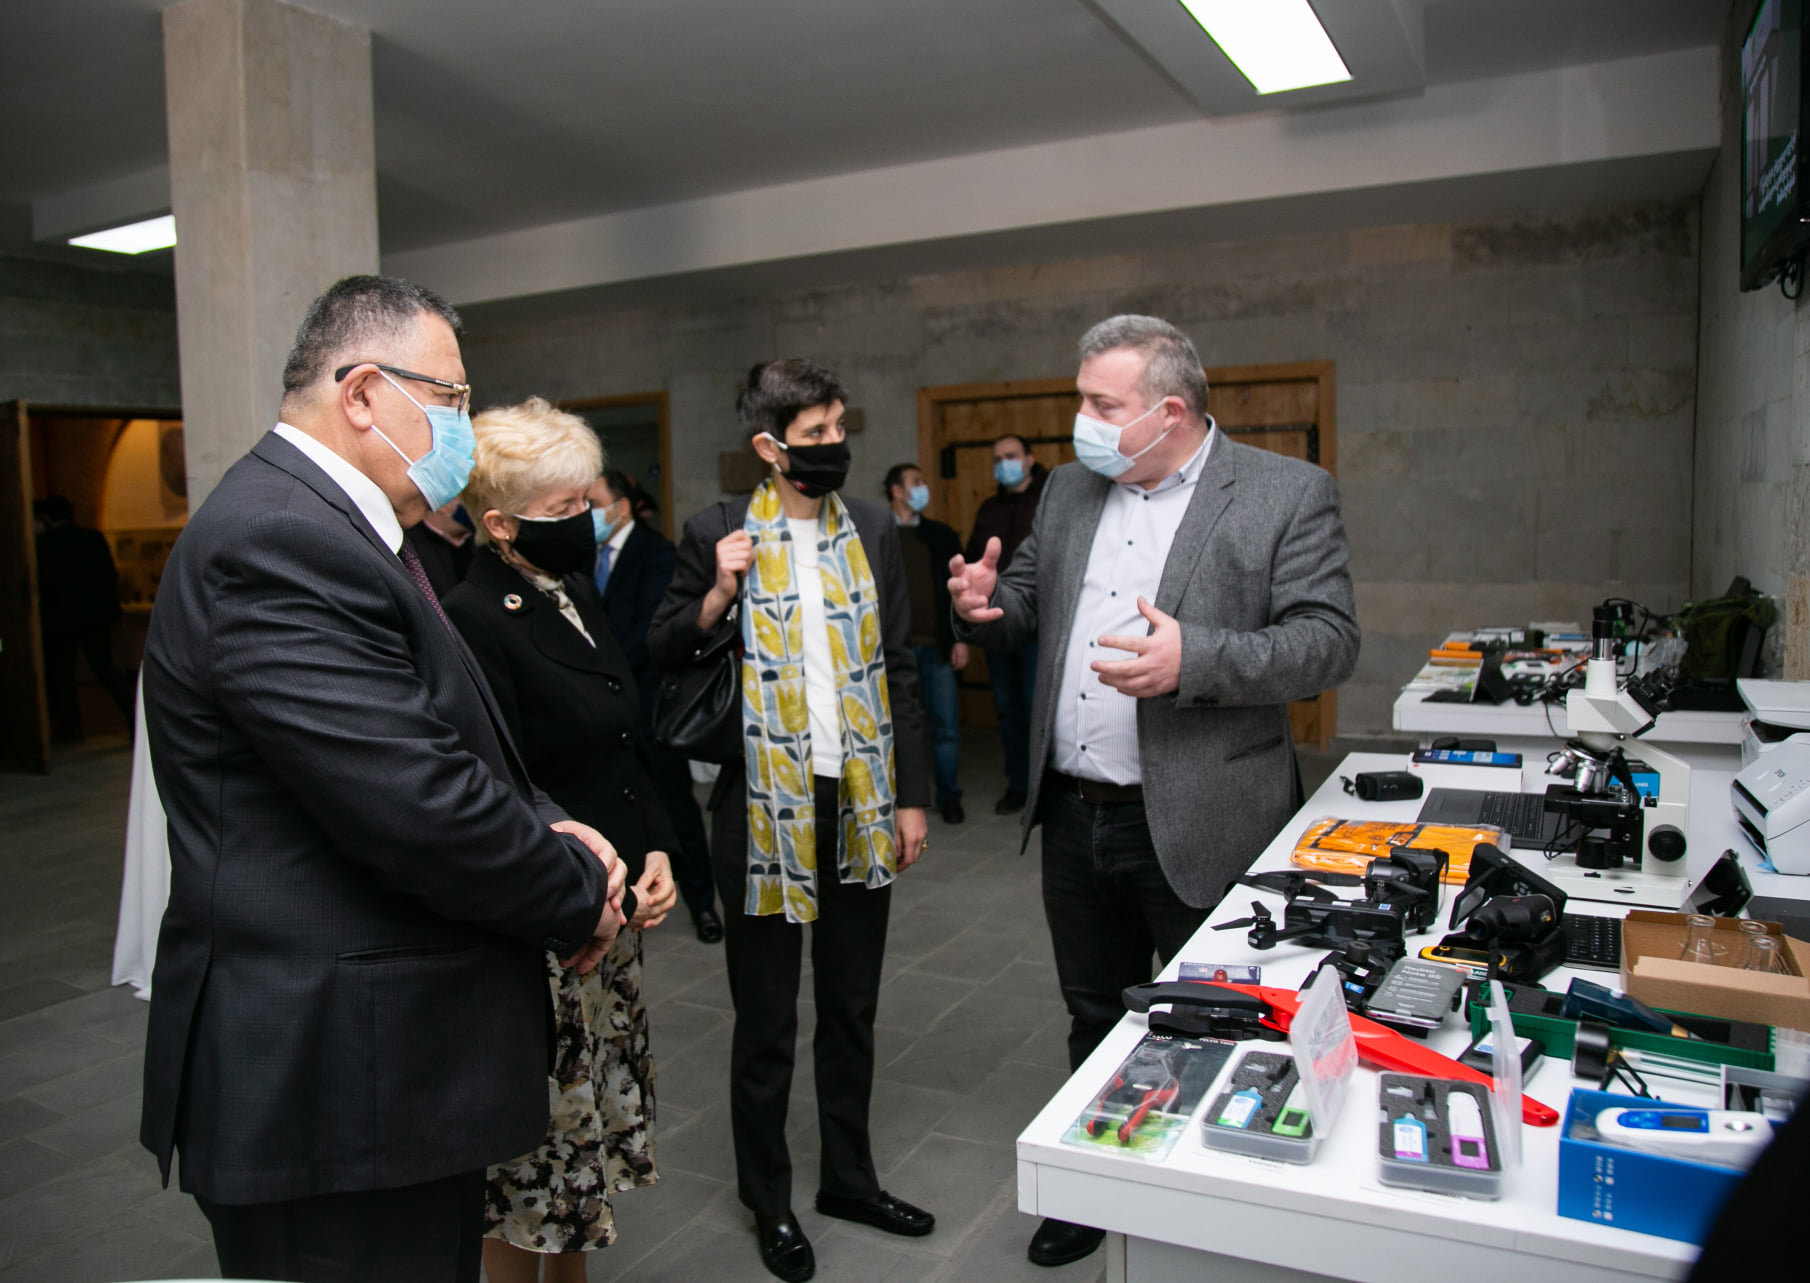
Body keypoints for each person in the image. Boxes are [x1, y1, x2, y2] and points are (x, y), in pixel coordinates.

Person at [139, 274, 626, 1283]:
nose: (462, 427)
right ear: (362, 393)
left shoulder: (345, 527)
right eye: (449, 398)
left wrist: (550, 823)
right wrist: (576, 893)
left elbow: (444, 735)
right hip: (334, 1084)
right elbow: (416, 805)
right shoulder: (278, 538)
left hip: (383, 1071)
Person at [948, 315, 1359, 1269]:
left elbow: (1329, 640)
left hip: (1203, 815)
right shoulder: (1067, 489)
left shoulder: (1285, 492)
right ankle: (1097, 1183)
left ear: (1168, 412)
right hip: (1073, 815)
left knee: (1221, 1016)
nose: (1080, 421)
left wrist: (1195, 658)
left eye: (1101, 404)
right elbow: (1028, 603)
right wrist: (985, 607)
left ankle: (1214, 1204)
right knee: (1094, 1014)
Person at [648, 358, 935, 1283]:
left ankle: (849, 1178)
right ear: (770, 447)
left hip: (858, 801)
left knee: (851, 1007)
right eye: (815, 435)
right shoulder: (717, 529)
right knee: (766, 1019)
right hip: (761, 809)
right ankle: (768, 1199)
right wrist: (717, 593)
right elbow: (662, 644)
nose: (834, 446)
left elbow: (899, 664)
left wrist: (911, 794)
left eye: (839, 428)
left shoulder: (874, 528)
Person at [443, 399, 681, 1283]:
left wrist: (657, 851)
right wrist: (584, 893)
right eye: (564, 506)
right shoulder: (473, 615)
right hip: (552, 921)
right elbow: (502, 788)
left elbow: (621, 734)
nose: (587, 516)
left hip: (612, 903)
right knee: (536, 1162)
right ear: (501, 523)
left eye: (588, 498)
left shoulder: (571, 588)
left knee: (586, 1159)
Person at [589, 467, 723, 942]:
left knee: (675, 806)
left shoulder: (657, 553)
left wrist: (593, 668)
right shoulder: (581, 557)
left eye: (592, 504)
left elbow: (649, 635)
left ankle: (703, 903)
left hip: (648, 707)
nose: (585, 513)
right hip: (599, 712)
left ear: (622, 507)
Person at [963, 435, 1047, 814]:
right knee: (1008, 709)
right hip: (996, 624)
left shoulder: (1047, 501)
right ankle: (1018, 784)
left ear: (1029, 458)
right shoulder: (989, 507)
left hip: (1038, 625)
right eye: (997, 459)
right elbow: (972, 559)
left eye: (1011, 456)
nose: (1003, 464)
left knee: (1036, 707)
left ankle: (1044, 788)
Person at [882, 462, 968, 823]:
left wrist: (960, 637)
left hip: (937, 647)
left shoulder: (941, 535)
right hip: (891, 652)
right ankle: (897, 800)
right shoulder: (876, 533)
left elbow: (959, 593)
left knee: (945, 727)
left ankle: (949, 796)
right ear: (897, 491)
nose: (923, 488)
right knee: (894, 729)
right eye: (916, 482)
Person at [34, 493, 135, 741]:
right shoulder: (92, 538)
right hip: (95, 615)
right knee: (105, 667)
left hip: (61, 619)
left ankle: (71, 729)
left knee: (63, 674)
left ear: (46, 518)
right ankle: (135, 718)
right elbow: (109, 574)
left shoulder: (44, 544)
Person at [403, 494, 476, 598]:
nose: (478, 508)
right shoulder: (410, 548)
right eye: (471, 501)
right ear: (444, 504)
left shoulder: (480, 544)